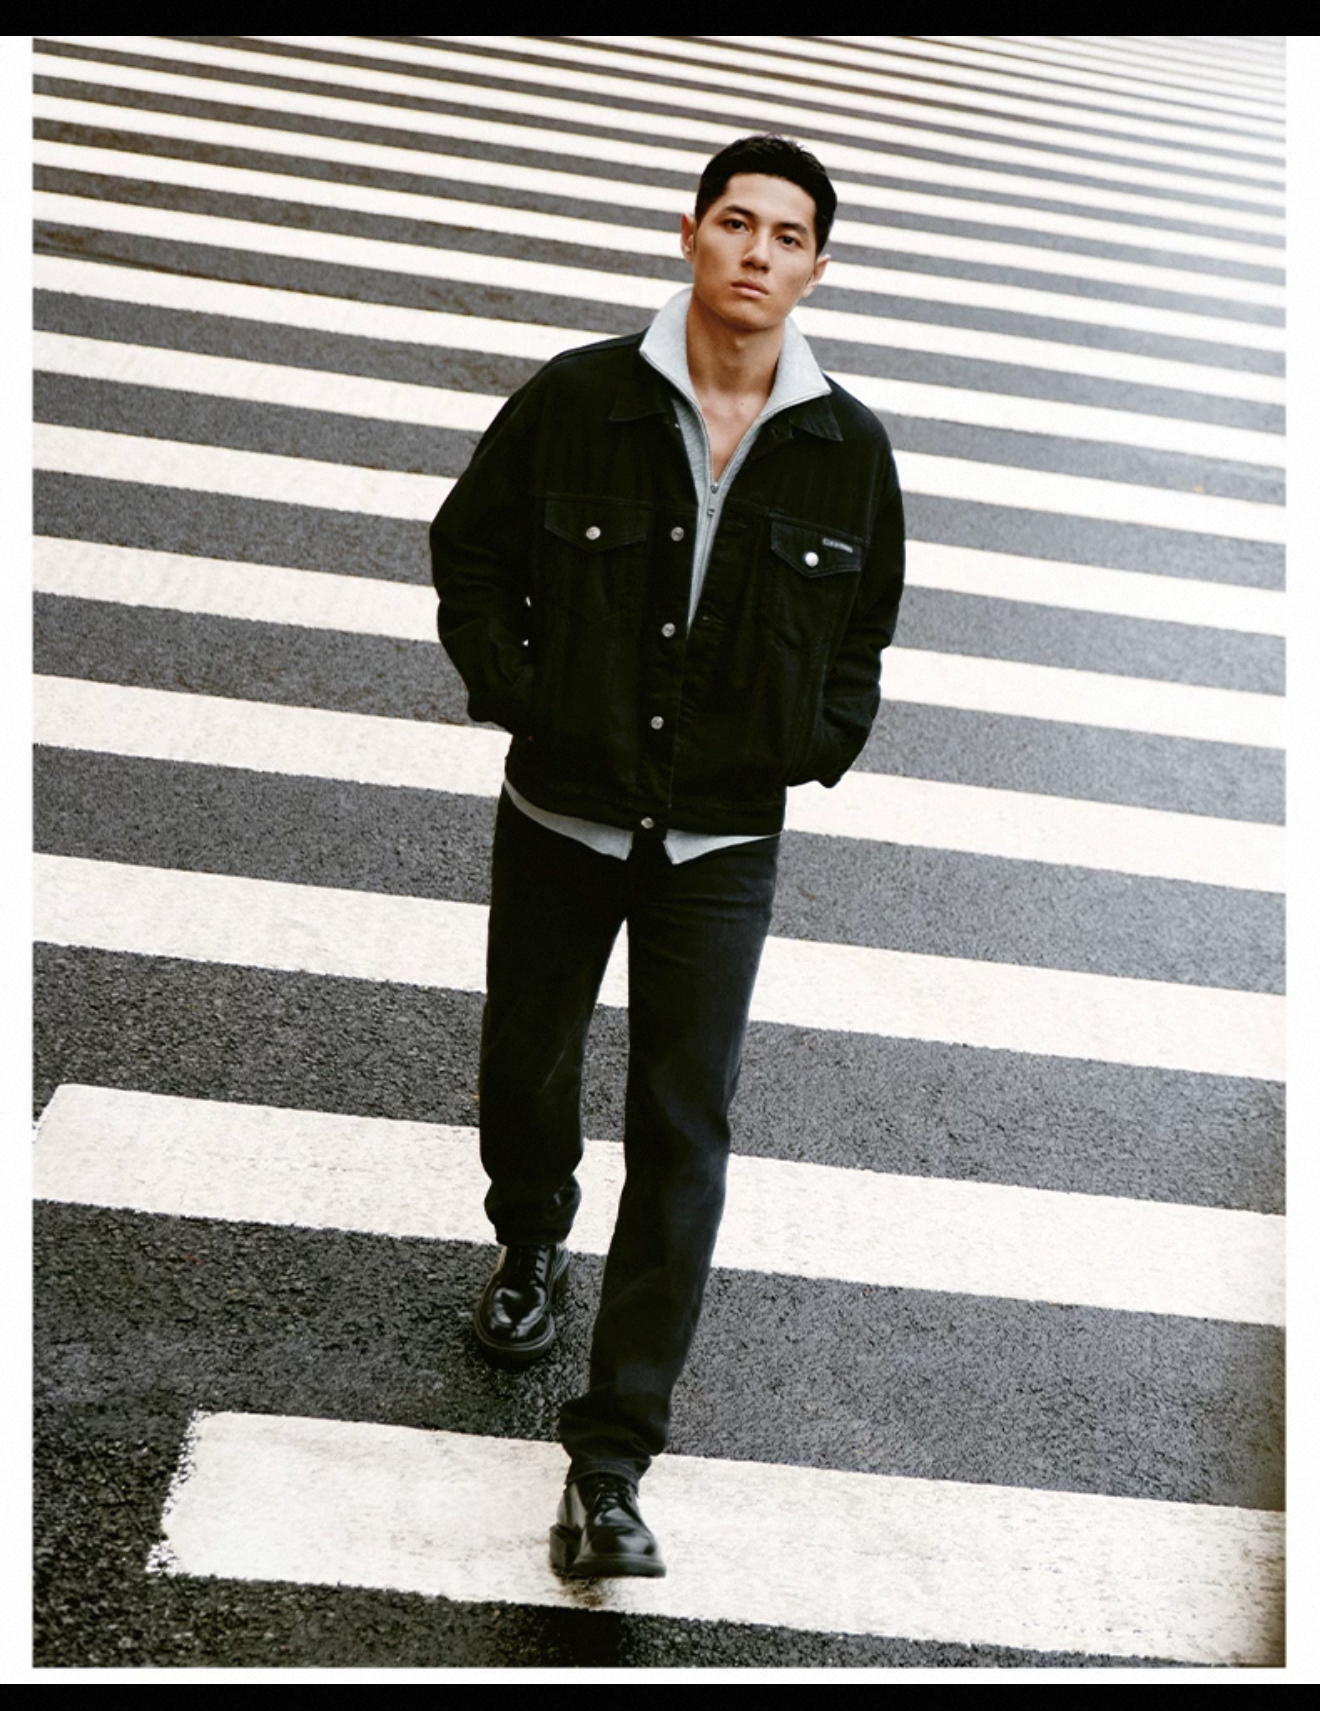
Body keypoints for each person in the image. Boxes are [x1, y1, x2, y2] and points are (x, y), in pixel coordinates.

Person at [430, 133, 905, 1578]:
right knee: (528, 1059)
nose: (758, 252)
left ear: (817, 267)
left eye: (788, 235)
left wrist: (807, 744)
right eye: (736, 222)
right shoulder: (582, 398)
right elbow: (470, 551)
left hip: (722, 839)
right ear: (691, 235)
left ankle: (613, 1458)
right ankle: (530, 1233)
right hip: (564, 813)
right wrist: (526, 696)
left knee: (685, 1128)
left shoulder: (846, 449)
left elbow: (863, 632)